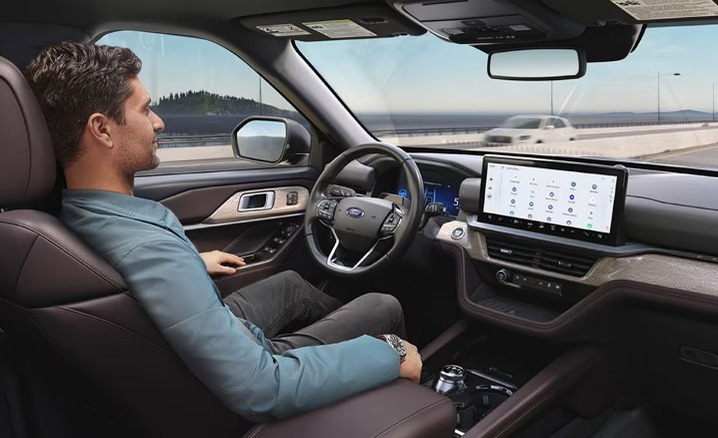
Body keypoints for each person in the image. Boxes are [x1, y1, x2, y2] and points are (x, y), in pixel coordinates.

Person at [24, 42, 422, 421]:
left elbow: (127, 272)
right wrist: (386, 354)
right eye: (145, 111)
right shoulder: (151, 253)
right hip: (249, 372)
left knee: (291, 284)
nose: (159, 122)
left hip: (199, 340)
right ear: (102, 130)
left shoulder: (65, 216)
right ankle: (418, 399)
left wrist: (191, 264)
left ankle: (341, 351)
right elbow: (262, 387)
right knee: (383, 307)